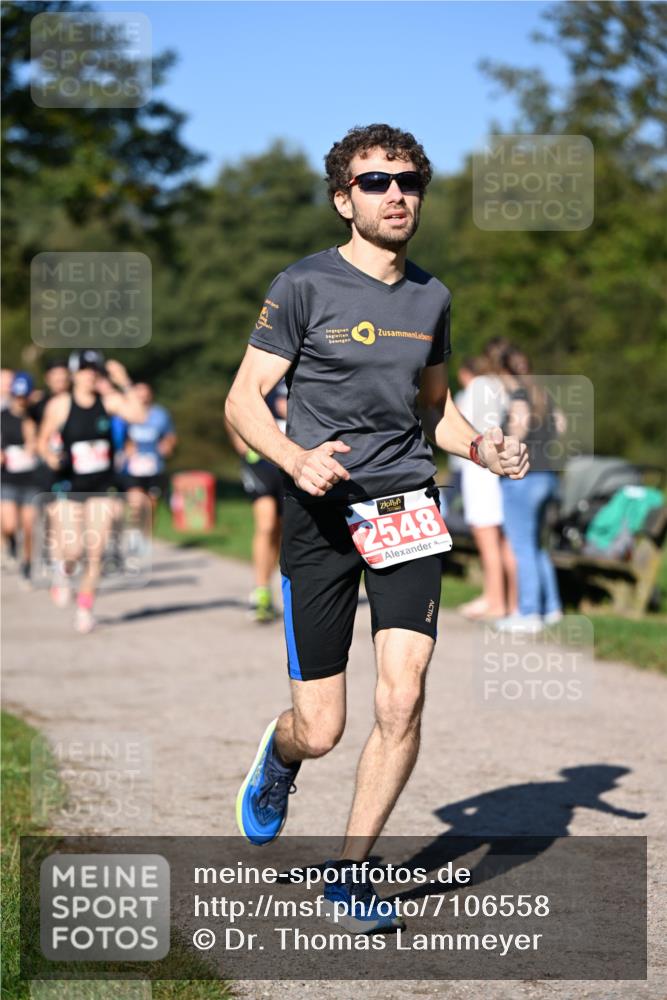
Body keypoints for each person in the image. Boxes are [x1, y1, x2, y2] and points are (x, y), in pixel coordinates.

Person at [225, 124, 528, 930]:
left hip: (405, 509)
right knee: (322, 729)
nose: (395, 193)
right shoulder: (301, 287)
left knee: (403, 697)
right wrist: (294, 460)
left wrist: (482, 446)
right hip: (319, 515)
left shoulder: (431, 296)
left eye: (408, 180)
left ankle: (350, 873)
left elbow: (436, 412)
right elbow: (242, 400)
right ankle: (281, 755)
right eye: (374, 182)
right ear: (342, 199)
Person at [37, 350, 146, 633]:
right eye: (85, 370)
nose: (90, 374)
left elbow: (139, 415)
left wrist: (124, 382)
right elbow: (41, 442)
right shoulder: (60, 405)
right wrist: (49, 457)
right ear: (75, 374)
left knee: (95, 551)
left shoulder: (107, 402)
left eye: (94, 369)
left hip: (101, 487)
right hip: (70, 485)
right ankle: (63, 571)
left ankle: (85, 608)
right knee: (74, 548)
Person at [496, 346, 563, 633]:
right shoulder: (543, 394)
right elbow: (561, 425)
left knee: (521, 546)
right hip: (548, 475)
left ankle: (529, 612)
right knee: (536, 546)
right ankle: (552, 608)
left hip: (523, 479)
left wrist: (505, 442)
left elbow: (519, 429)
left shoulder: (519, 396)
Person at [456, 354, 517, 620]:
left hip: (479, 471)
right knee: (501, 541)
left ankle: (496, 601)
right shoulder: (499, 388)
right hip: (494, 473)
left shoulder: (476, 390)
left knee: (487, 539)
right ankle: (508, 600)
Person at [225, 379, 287, 622]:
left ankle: (275, 588)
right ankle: (260, 591)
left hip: (291, 459)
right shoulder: (267, 365)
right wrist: (240, 442)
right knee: (267, 524)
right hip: (260, 460)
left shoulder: (308, 366)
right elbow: (233, 403)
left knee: (283, 528)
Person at [116, 382, 177, 551]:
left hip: (154, 465)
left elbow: (170, 435)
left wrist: (167, 445)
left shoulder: (160, 414)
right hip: (132, 466)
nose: (142, 397)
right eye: (139, 393)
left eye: (145, 393)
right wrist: (125, 446)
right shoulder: (125, 412)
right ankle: (135, 534)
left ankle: (145, 538)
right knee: (136, 502)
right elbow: (116, 435)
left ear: (150, 395)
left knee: (150, 505)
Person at [1, 372, 40, 581]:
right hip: (7, 478)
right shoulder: (2, 417)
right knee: (9, 525)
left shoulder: (35, 416)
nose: (21, 400)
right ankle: (10, 542)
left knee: (29, 525)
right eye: (17, 395)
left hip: (31, 479)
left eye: (24, 396)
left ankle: (27, 563)